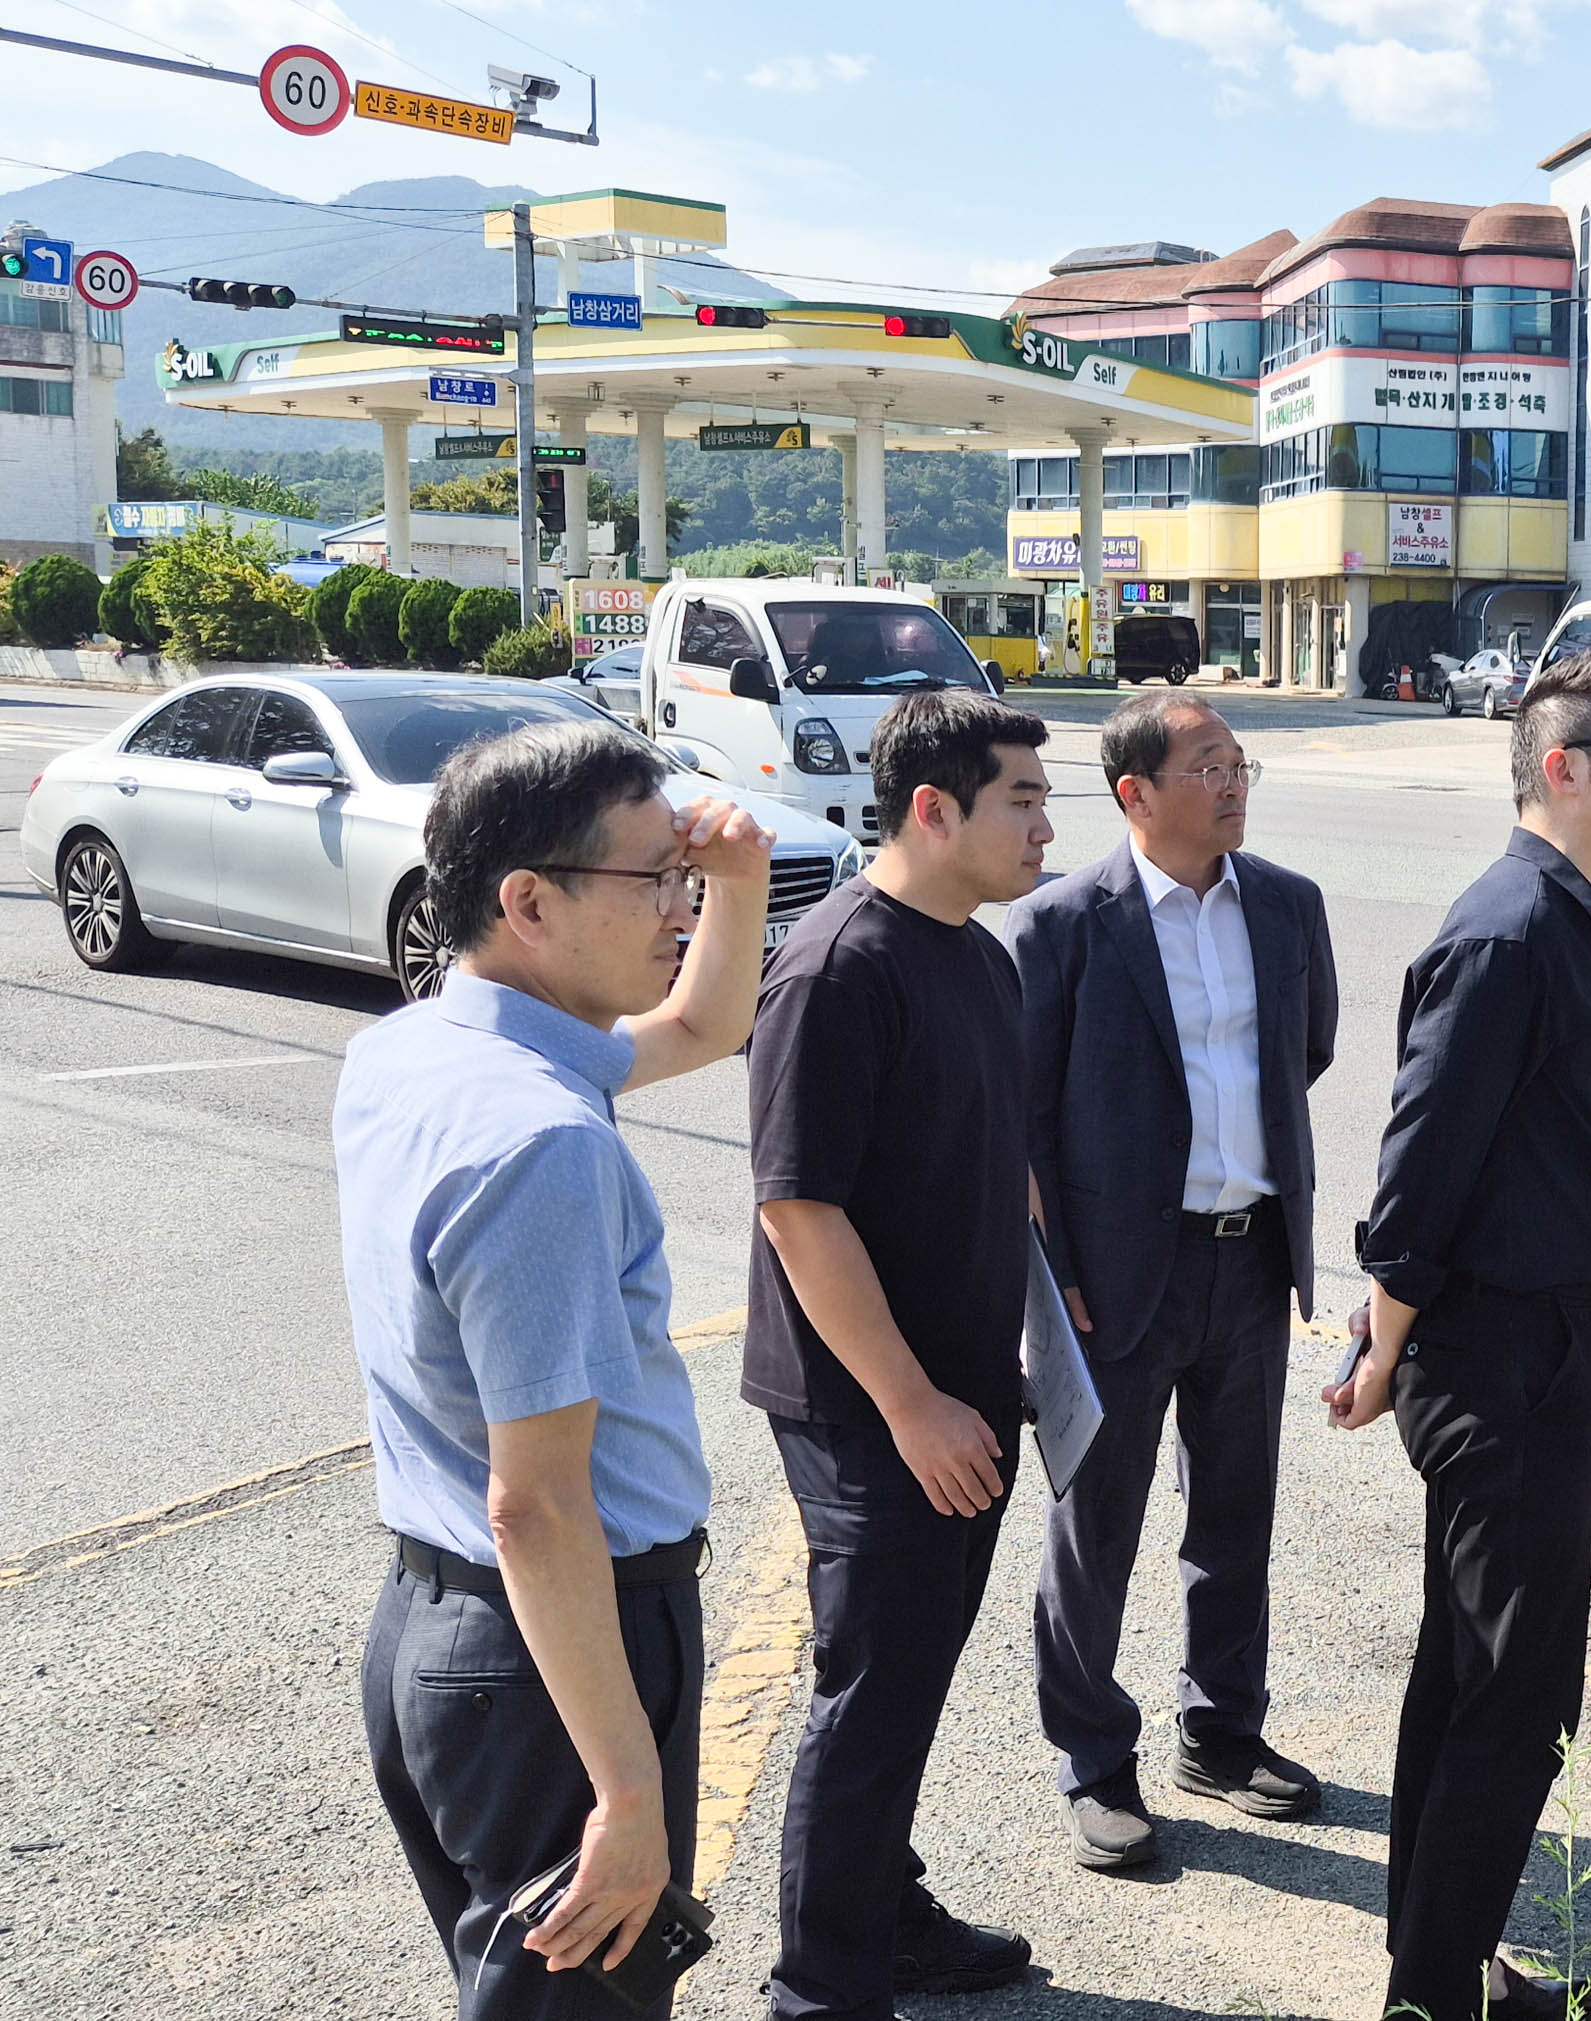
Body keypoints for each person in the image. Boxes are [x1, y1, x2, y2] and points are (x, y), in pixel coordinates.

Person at [338, 721, 773, 2020]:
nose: (679, 906)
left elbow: (701, 1023)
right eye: (654, 879)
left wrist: (736, 878)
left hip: (440, 1630)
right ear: (527, 901)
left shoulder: (420, 1048)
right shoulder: (540, 1140)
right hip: (561, 1656)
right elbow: (538, 1501)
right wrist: (628, 1794)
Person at [1324, 652, 1591, 2021]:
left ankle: (1443, 1968)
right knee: (1515, 1688)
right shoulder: (1509, 932)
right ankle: (1436, 1995)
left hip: (1551, 1340)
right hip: (1496, 1353)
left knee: (1472, 1669)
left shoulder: (1579, 917)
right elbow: (1422, 1172)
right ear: (1564, 768)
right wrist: (1385, 1343)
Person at [741, 690, 1056, 2021]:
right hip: (871, 1407)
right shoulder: (834, 969)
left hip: (964, 1385)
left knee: (909, 1674)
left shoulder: (978, 955)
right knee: (867, 1698)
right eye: (1023, 802)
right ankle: (823, 1987)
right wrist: (915, 1403)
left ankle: (885, 1914)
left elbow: (987, 1150)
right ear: (934, 810)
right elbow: (798, 1210)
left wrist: (1056, 1295)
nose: (1049, 828)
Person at [1009, 690, 1340, 1868]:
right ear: (1134, 792)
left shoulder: (1288, 907)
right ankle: (1094, 1759)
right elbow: (1024, 1120)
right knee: (1095, 1525)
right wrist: (1053, 1277)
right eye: (1207, 765)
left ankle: (1222, 1729)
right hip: (1110, 1281)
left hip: (1248, 1259)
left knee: (1236, 1514)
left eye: (1239, 762)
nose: (1234, 781)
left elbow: (1306, 1051)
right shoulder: (1060, 924)